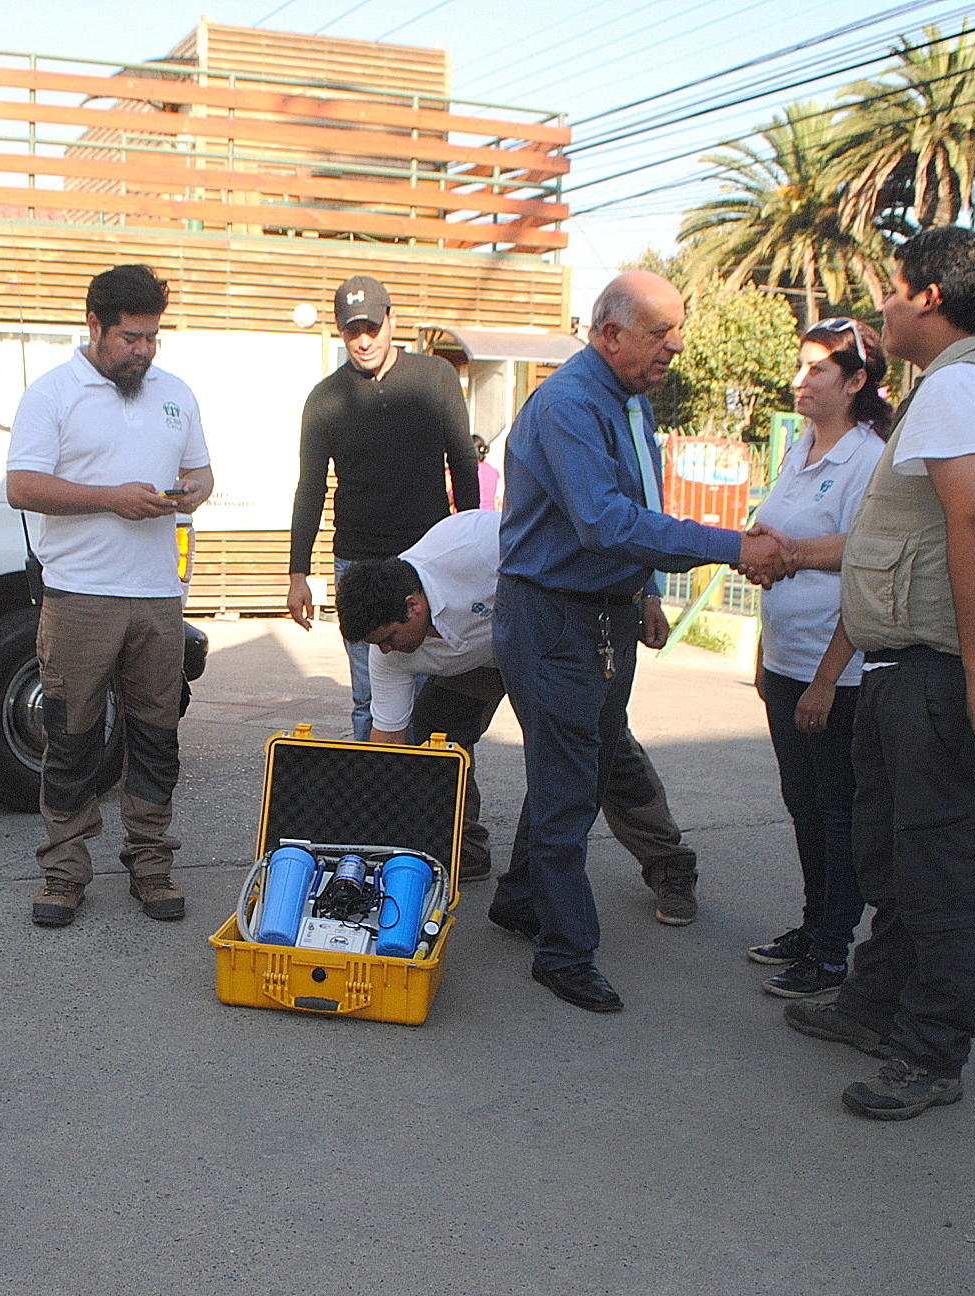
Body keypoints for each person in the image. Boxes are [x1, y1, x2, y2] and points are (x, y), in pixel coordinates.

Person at [781, 227, 975, 1121]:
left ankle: (932, 1051)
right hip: (913, 668)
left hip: (943, 673)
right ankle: (874, 1004)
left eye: (892, 290)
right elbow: (900, 541)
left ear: (930, 296)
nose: (883, 307)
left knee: (945, 869)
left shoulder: (962, 386)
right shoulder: (954, 387)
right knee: (893, 852)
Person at [490, 270, 796, 1013]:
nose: (677, 345)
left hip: (602, 612)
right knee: (569, 784)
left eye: (677, 329)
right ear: (610, 333)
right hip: (555, 616)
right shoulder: (568, 404)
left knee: (582, 772)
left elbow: (637, 506)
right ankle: (564, 952)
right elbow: (603, 521)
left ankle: (522, 899)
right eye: (661, 331)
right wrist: (731, 545)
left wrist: (643, 590)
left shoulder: (625, 400)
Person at [335, 509, 703, 921]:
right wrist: (366, 840)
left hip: (548, 645)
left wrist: (646, 593)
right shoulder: (388, 655)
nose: (384, 651)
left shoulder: (474, 542)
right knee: (432, 741)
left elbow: (582, 535)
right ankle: (464, 847)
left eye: (388, 639)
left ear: (413, 606)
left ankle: (670, 866)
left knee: (599, 746)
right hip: (480, 664)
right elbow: (389, 749)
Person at [5, 264, 213, 928]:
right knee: (71, 739)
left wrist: (191, 493)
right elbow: (23, 487)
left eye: (152, 338)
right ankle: (63, 874)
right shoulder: (52, 394)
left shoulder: (177, 393)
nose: (143, 351)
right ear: (94, 326)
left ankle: (152, 867)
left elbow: (202, 472)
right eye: (130, 338)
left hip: (158, 596)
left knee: (157, 737)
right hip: (79, 597)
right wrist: (110, 500)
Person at [743, 318, 891, 998]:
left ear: (857, 382)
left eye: (818, 371)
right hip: (786, 664)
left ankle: (833, 951)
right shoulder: (800, 447)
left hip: (837, 672)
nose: (801, 381)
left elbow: (864, 560)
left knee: (837, 811)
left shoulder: (867, 459)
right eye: (799, 367)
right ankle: (811, 928)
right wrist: (764, 653)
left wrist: (827, 679)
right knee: (804, 805)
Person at [288, 275, 481, 740]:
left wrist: (470, 534)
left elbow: (463, 462)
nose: (364, 340)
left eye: (373, 327)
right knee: (371, 694)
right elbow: (310, 486)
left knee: (440, 696)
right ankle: (376, 801)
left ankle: (443, 800)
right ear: (339, 331)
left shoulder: (435, 378)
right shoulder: (325, 399)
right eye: (353, 330)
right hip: (360, 560)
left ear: (392, 321)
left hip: (431, 560)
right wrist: (298, 573)